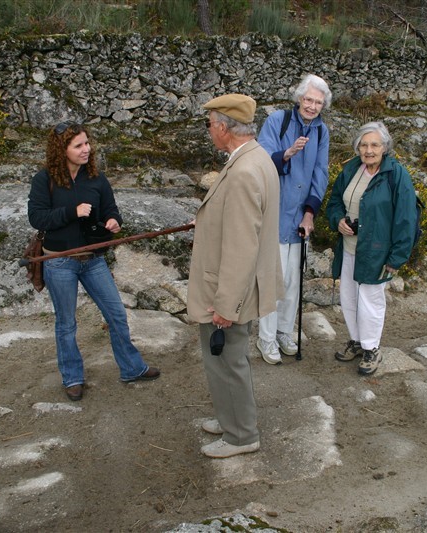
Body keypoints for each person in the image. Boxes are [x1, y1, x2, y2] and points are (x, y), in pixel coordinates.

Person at [28, 122, 160, 402]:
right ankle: (72, 378)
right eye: (78, 145)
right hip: (58, 261)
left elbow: (111, 209)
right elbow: (37, 218)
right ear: (61, 150)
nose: (86, 149)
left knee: (116, 314)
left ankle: (132, 368)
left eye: (87, 143)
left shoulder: (96, 178)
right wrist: (71, 212)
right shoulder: (44, 179)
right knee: (66, 323)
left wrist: (114, 221)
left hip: (93, 259)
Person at [187, 94, 282, 458]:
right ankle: (230, 417)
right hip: (239, 283)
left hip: (229, 289)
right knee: (226, 360)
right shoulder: (255, 158)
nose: (209, 130)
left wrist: (226, 304)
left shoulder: (243, 171)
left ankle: (241, 435)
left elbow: (242, 245)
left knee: (227, 359)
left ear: (224, 128)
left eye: (210, 123)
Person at [326, 122, 418, 376]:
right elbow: (334, 203)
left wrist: (396, 257)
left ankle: (371, 348)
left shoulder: (396, 175)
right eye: (364, 145)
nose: (369, 150)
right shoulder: (351, 170)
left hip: (377, 251)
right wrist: (339, 221)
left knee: (370, 300)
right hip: (349, 246)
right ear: (357, 148)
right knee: (349, 297)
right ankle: (356, 341)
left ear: (385, 147)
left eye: (374, 145)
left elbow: (406, 218)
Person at [255, 74, 332, 364]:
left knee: (292, 281)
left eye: (318, 102)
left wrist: (310, 213)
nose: (312, 106)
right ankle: (266, 337)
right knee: (273, 280)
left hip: (300, 220)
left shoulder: (322, 132)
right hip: (274, 215)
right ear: (299, 98)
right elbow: (261, 160)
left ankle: (285, 332)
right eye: (309, 99)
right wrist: (286, 153)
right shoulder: (278, 121)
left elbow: (320, 174)